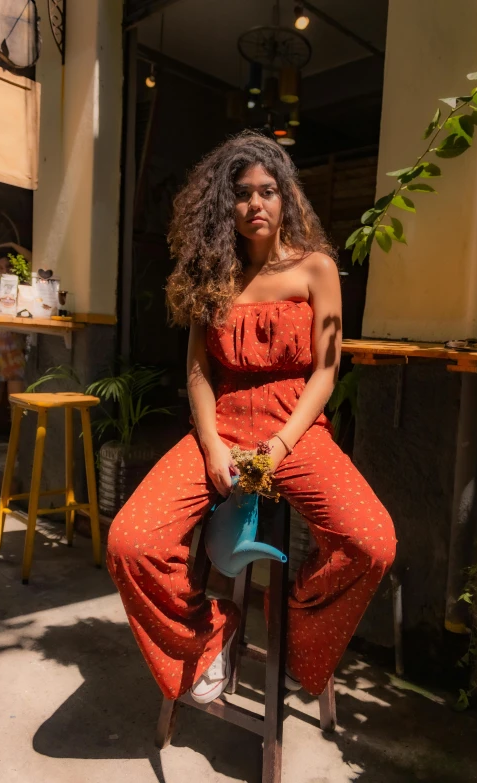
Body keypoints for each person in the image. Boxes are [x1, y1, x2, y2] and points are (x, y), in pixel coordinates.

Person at [107, 132, 396, 705]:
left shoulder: (317, 269)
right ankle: (210, 636)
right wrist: (212, 445)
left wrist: (282, 446)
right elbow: (196, 372)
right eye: (242, 194)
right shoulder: (209, 276)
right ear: (225, 205)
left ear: (287, 196)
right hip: (221, 426)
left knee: (372, 542)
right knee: (129, 542)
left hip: (296, 429)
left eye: (268, 191)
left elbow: (326, 372)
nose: (255, 204)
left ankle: (295, 634)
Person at [0, 243, 29, 408]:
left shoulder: (22, 287)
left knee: (16, 407)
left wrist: (12, 245)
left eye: (8, 266)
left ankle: (16, 434)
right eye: (0, 267)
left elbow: (34, 261)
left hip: (14, 351)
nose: (4, 271)